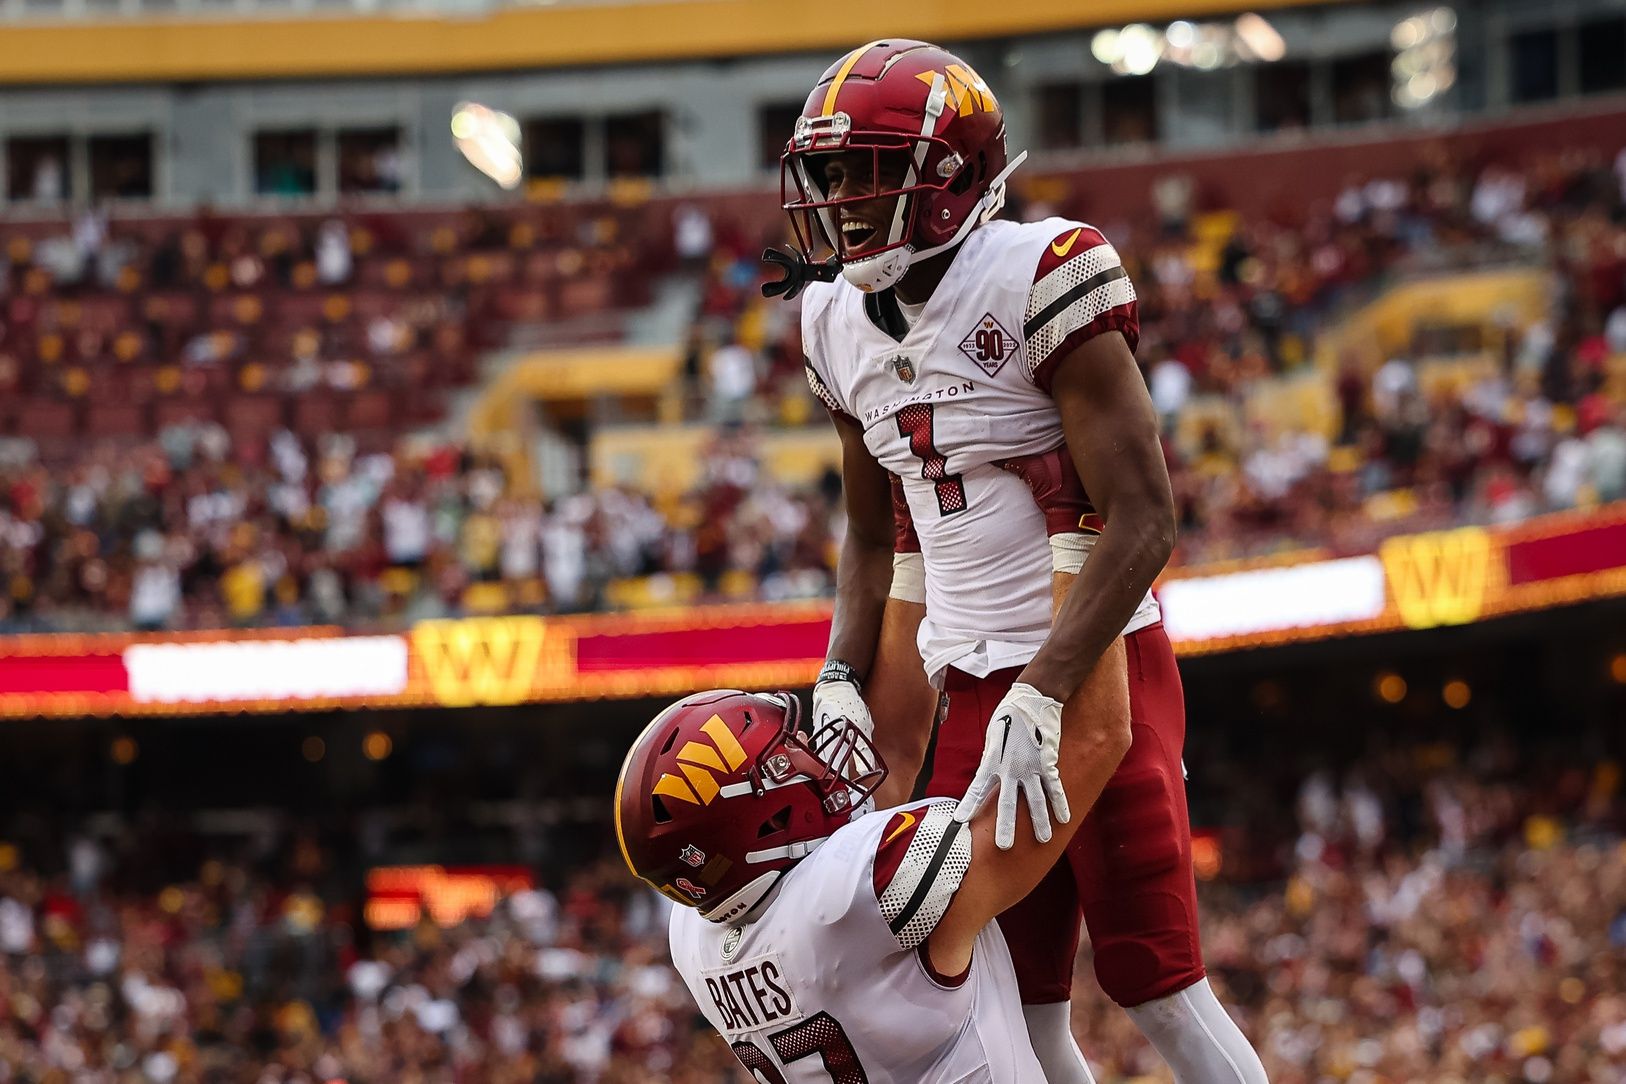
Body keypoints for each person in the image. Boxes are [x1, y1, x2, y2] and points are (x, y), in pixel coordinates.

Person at [764, 39, 1269, 1083]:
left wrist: (1044, 691)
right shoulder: (832, 324)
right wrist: (842, 675)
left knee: (1158, 986)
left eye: (868, 168)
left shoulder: (1037, 273)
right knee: (1014, 1005)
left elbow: (1142, 515)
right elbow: (871, 533)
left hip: (1092, 675)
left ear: (949, 177)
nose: (841, 198)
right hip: (966, 689)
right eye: (832, 171)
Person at [613, 677, 1130, 1082]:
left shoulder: (694, 935)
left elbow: (898, 747)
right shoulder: (851, 896)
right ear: (761, 822)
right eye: (784, 761)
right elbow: (1101, 735)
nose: (810, 757)